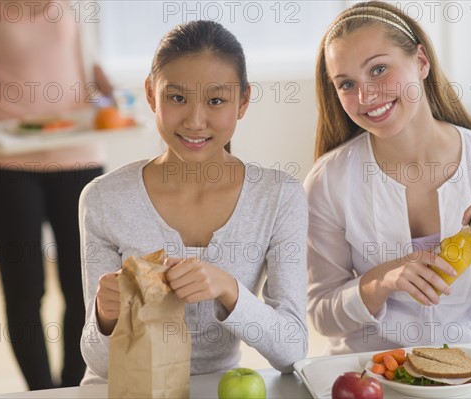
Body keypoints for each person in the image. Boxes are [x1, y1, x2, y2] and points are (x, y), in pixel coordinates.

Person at [305, 1, 471, 355]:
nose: (365, 96)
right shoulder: (328, 182)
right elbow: (321, 315)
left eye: (378, 69)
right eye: (346, 84)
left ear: (421, 62)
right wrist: (383, 281)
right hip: (371, 373)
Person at [79, 20, 308, 384]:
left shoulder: (279, 197)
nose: (195, 120)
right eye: (177, 97)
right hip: (125, 388)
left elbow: (292, 351)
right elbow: (100, 363)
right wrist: (106, 318)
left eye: (216, 100)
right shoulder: (105, 198)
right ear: (152, 95)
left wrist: (229, 289)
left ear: (242, 101)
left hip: (217, 387)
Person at [0, 0, 113, 389]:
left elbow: (90, 70)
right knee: (25, 286)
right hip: (1, 161)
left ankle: (71, 389)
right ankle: (41, 393)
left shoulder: (76, 4)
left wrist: (107, 94)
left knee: (83, 285)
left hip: (78, 156)